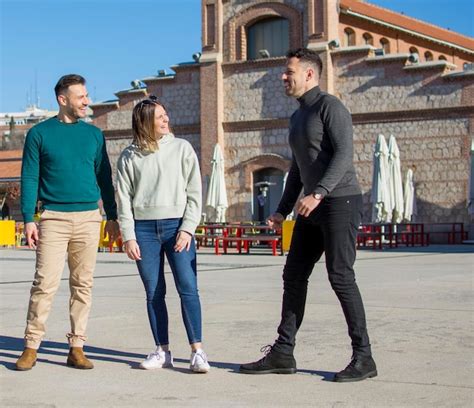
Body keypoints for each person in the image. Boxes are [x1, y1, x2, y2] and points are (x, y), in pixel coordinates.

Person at [239, 48, 377, 382]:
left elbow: (344, 155)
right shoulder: (297, 116)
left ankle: (364, 357)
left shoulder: (331, 107)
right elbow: (299, 169)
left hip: (340, 201)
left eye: (289, 72)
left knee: (340, 276)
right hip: (311, 206)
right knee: (293, 275)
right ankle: (283, 353)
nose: (283, 77)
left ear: (310, 74)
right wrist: (282, 210)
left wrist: (319, 193)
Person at [16, 74, 120, 371]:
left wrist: (111, 215)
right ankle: (31, 346)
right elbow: (30, 178)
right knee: (44, 284)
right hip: (53, 218)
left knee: (82, 285)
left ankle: (77, 346)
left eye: (86, 96)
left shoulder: (94, 135)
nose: (87, 101)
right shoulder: (39, 134)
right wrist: (28, 218)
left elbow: (104, 177)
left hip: (89, 218)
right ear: (63, 99)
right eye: (81, 97)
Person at [116, 96, 210, 373]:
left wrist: (187, 228)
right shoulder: (129, 156)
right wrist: (128, 236)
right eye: (159, 117)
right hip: (143, 230)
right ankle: (163, 351)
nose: (166, 119)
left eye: (165, 115)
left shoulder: (182, 148)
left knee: (187, 288)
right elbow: (124, 200)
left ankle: (198, 352)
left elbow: (195, 192)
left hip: (176, 227)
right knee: (154, 292)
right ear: (144, 122)